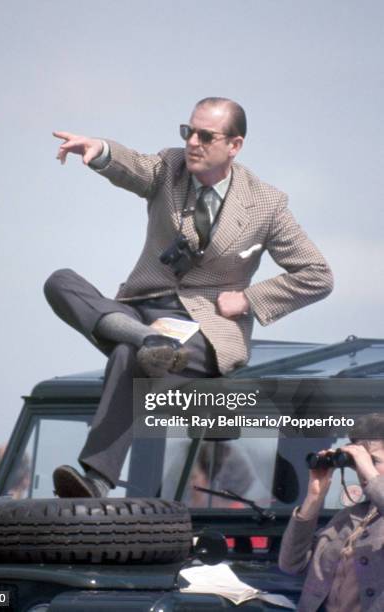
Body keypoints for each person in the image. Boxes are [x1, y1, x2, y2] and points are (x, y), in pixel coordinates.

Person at [44, 97, 333, 498]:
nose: (192, 142)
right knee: (61, 281)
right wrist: (100, 152)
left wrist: (249, 299)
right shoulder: (170, 167)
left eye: (205, 135)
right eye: (188, 132)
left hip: (204, 330)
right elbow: (134, 167)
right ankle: (146, 339)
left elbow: (317, 274)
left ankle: (96, 480)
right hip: (138, 312)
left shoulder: (266, 204)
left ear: (235, 145)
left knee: (130, 358)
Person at [279, 413, 384, 611]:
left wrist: (371, 475)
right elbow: (290, 564)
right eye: (357, 463)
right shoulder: (349, 516)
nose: (362, 469)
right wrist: (313, 498)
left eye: (373, 461)